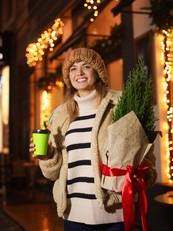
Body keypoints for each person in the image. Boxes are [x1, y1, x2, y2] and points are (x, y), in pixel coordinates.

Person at [29, 47, 157, 231]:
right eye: (73, 68)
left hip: (114, 213)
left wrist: (139, 176)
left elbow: (145, 153)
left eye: (86, 66)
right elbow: (54, 173)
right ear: (68, 77)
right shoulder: (60, 115)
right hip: (73, 215)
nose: (78, 72)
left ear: (98, 72)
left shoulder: (121, 104)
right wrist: (47, 157)